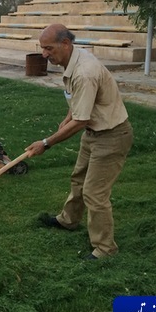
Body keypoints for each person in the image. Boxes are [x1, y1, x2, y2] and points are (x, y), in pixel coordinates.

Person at [25, 24, 133, 260]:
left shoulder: (85, 72)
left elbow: (81, 120)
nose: (44, 54)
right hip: (94, 132)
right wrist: (67, 117)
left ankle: (105, 249)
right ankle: (68, 220)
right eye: (42, 48)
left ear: (66, 44)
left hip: (112, 136)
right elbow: (80, 106)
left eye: (48, 48)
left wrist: (46, 142)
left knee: (94, 193)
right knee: (79, 179)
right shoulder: (72, 62)